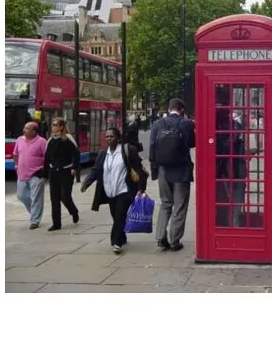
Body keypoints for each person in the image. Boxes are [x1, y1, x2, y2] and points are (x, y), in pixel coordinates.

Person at [81, 127, 148, 254]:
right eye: (106, 136)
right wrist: (86, 183)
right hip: (109, 190)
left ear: (118, 138)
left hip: (124, 189)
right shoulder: (102, 153)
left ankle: (116, 242)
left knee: (120, 214)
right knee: (115, 215)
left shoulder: (128, 150)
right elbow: (96, 169)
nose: (108, 139)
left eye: (111, 136)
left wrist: (141, 188)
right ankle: (122, 236)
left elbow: (139, 169)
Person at [149, 98, 195, 251]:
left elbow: (152, 148)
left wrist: (155, 171)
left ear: (169, 108)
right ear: (181, 109)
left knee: (165, 204)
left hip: (163, 170)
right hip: (181, 170)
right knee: (180, 206)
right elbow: (192, 143)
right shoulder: (186, 123)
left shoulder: (157, 124)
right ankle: (175, 241)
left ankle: (161, 237)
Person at [44, 117, 80, 231]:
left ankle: (74, 211)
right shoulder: (50, 140)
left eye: (55, 124)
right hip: (54, 172)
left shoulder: (68, 139)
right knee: (54, 198)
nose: (52, 126)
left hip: (66, 171)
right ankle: (56, 223)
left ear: (61, 127)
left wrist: (74, 167)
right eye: (52, 124)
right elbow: (46, 157)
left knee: (65, 197)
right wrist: (45, 173)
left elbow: (76, 154)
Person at [13, 122, 48, 229]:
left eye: (27, 128)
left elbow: (47, 157)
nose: (24, 130)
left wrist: (44, 172)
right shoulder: (19, 140)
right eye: (24, 128)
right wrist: (16, 165)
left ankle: (35, 220)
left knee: (36, 198)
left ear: (34, 131)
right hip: (22, 174)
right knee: (21, 196)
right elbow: (15, 154)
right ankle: (34, 212)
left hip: (36, 174)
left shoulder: (42, 142)